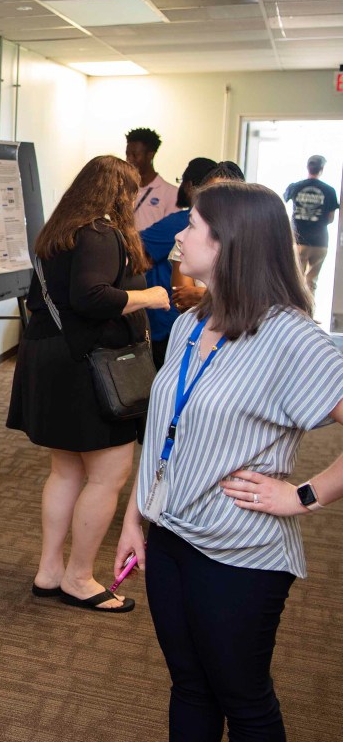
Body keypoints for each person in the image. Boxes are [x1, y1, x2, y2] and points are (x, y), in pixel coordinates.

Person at [115, 181, 343, 741]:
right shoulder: (197, 321)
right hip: (170, 535)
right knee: (189, 687)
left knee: (242, 699)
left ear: (228, 242)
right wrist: (134, 518)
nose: (180, 233)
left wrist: (302, 495)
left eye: (191, 225)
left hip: (241, 551)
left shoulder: (292, 337)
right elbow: (167, 429)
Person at [7, 155, 170, 613]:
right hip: (88, 370)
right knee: (108, 476)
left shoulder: (57, 234)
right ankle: (79, 578)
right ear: (119, 193)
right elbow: (92, 296)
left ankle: (50, 571)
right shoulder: (99, 233)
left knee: (66, 470)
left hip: (53, 361)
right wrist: (150, 296)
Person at [139, 157, 217, 367]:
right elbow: (182, 291)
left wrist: (207, 296)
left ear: (191, 186)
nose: (183, 236)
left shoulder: (178, 222)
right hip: (179, 318)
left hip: (169, 323)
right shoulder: (181, 228)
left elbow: (135, 253)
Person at [169, 160, 245, 313]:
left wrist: (201, 295)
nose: (215, 201)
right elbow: (182, 300)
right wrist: (225, 298)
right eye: (209, 192)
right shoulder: (186, 238)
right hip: (199, 328)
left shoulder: (252, 241)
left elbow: (256, 300)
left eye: (224, 194)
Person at [284, 154, 339, 293]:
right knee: (311, 282)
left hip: (298, 240)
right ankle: (309, 312)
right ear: (322, 169)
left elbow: (282, 202)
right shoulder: (329, 191)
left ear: (307, 167)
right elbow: (331, 218)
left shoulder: (296, 187)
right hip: (320, 242)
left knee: (295, 281)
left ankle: (295, 311)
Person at [125, 127, 179, 231]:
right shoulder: (124, 188)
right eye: (127, 154)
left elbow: (170, 232)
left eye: (135, 155)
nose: (129, 160)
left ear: (150, 155)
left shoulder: (170, 193)